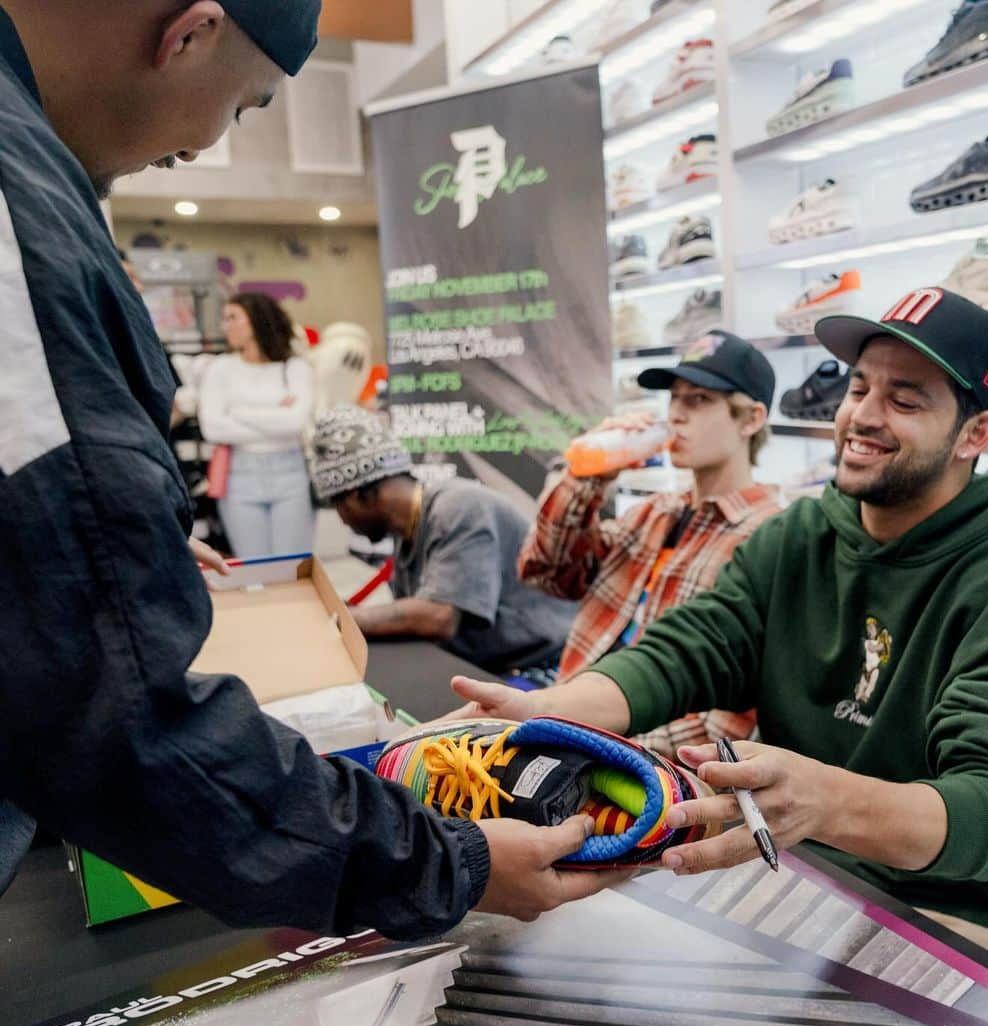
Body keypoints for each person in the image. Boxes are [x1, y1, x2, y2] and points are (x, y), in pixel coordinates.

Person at [0, 0, 623, 940]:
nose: (206, 146)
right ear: (190, 34)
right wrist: (444, 862)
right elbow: (124, 715)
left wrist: (115, 567)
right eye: (248, 107)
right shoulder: (22, 219)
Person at [448, 288, 988, 980]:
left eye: (904, 400)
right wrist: (544, 713)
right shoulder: (798, 538)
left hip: (964, 929)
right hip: (799, 887)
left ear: (976, 433)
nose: (861, 417)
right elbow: (686, 651)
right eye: (858, 387)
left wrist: (824, 802)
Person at [519, 333, 783, 757]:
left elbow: (730, 716)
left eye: (698, 400)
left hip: (638, 766)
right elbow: (547, 571)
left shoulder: (769, 536)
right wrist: (588, 477)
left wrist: (593, 747)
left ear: (750, 419)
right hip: (563, 726)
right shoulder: (655, 513)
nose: (676, 414)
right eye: (675, 398)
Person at [310, 406, 578, 674]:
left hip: (547, 667)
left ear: (360, 496)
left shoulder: (459, 507)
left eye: (338, 505)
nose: (342, 519)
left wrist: (339, 618)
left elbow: (439, 617)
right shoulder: (410, 533)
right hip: (495, 664)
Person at [198, 292, 317, 557]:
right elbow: (213, 428)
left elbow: (296, 422)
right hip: (239, 475)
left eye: (233, 318)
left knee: (293, 565)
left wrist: (238, 412)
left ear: (256, 320)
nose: (225, 325)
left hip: (290, 472)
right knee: (254, 567)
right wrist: (275, 412)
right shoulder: (221, 368)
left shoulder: (295, 368)